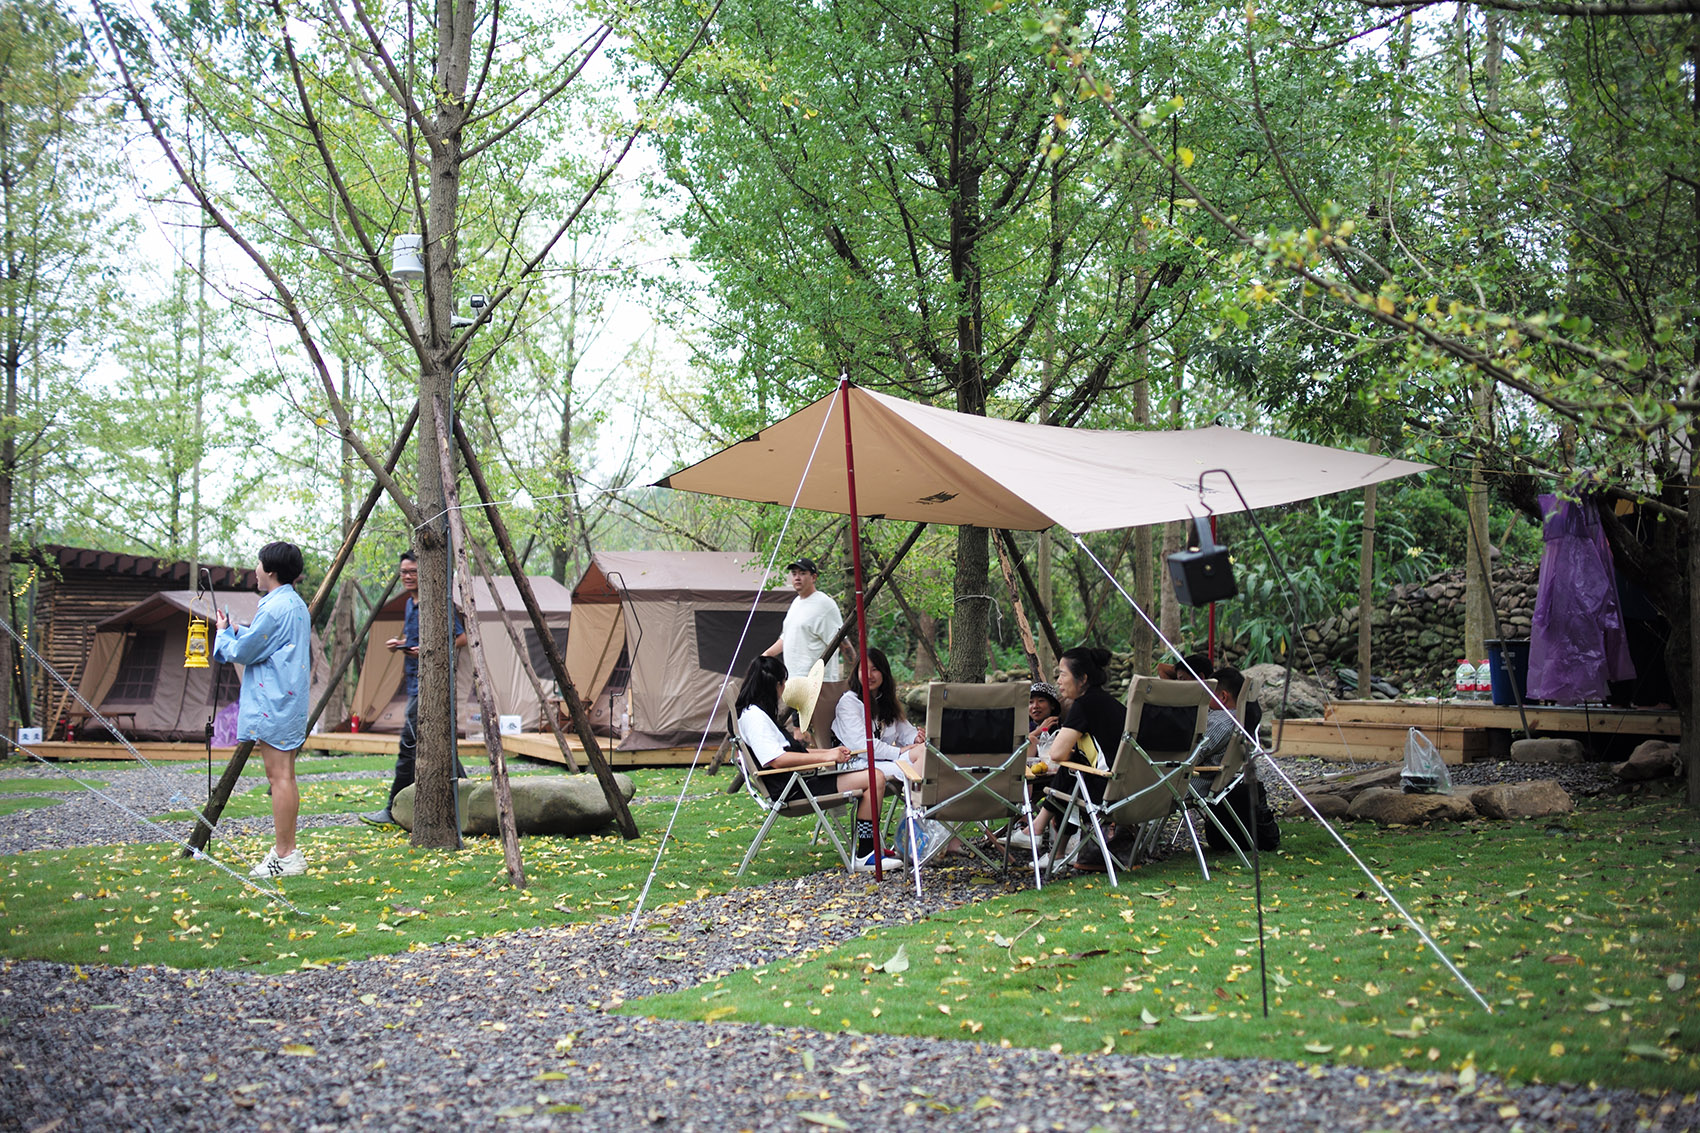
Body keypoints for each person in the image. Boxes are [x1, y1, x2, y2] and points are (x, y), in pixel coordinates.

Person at [736, 654, 899, 873]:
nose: (783, 690)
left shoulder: (757, 714)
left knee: (874, 775)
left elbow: (785, 754)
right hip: (792, 789)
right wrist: (825, 757)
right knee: (874, 777)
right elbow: (777, 760)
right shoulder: (754, 717)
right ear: (773, 685)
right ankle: (866, 854)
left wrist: (829, 752)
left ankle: (871, 849)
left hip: (798, 781)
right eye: (783, 684)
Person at [214, 541, 313, 879]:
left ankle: (285, 854)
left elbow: (245, 651)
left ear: (270, 570)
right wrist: (238, 628)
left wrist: (224, 636)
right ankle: (287, 851)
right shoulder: (294, 604)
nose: (254, 569)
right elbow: (267, 640)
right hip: (288, 699)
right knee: (285, 776)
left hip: (274, 702)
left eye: (257, 564)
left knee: (279, 777)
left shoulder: (274, 608)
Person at [362, 551, 467, 827]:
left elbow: (462, 637)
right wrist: (402, 643)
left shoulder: (438, 603)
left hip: (431, 683)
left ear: (424, 574)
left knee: (408, 748)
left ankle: (391, 809)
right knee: (441, 746)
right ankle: (467, 802)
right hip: (413, 680)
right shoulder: (411, 605)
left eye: (412, 571)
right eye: (403, 572)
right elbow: (415, 639)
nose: (407, 576)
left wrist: (432, 649)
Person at [1009, 647, 1125, 863]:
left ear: (1082, 679)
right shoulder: (1113, 704)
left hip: (1107, 794)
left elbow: (1055, 753)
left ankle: (1037, 829)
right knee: (1074, 766)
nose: (1059, 681)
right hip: (1133, 791)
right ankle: (1052, 848)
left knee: (1072, 772)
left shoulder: (1083, 705)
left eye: (1062, 674)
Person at [832, 646, 925, 781]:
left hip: (886, 761)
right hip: (858, 764)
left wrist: (916, 738)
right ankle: (916, 800)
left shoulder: (885, 701)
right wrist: (898, 751)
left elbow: (905, 731)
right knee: (913, 767)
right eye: (863, 669)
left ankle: (916, 798)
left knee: (926, 751)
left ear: (884, 672)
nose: (869, 675)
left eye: (874, 669)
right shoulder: (849, 703)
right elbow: (862, 747)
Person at [762, 558, 846, 681]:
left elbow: (842, 641)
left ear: (814, 577)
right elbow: (787, 637)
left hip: (819, 684)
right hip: (793, 681)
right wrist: (765, 656)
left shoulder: (824, 604)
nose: (797, 577)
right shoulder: (796, 603)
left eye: (802, 573)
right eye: (794, 573)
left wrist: (858, 678)